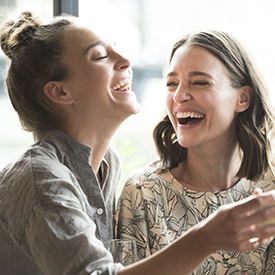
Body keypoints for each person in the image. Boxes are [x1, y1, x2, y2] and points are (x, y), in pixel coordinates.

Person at [1, 12, 275, 275]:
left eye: (200, 82)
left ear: (244, 98)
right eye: (100, 56)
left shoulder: (106, 165)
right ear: (60, 91)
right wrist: (206, 238)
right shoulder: (40, 178)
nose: (126, 61)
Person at [116, 30, 275, 274]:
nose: (179, 96)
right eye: (171, 84)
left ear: (242, 98)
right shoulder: (141, 192)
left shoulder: (270, 190)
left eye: (200, 82)